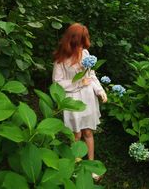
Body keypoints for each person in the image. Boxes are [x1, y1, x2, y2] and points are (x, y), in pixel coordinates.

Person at [52, 23, 107, 179]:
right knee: (76, 134)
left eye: (84, 43)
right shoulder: (60, 60)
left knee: (88, 132)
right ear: (72, 41)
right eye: (80, 43)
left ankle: (91, 166)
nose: (82, 46)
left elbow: (92, 75)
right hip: (73, 100)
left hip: (88, 98)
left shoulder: (85, 53)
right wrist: (77, 83)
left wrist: (100, 90)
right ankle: (76, 167)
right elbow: (57, 83)